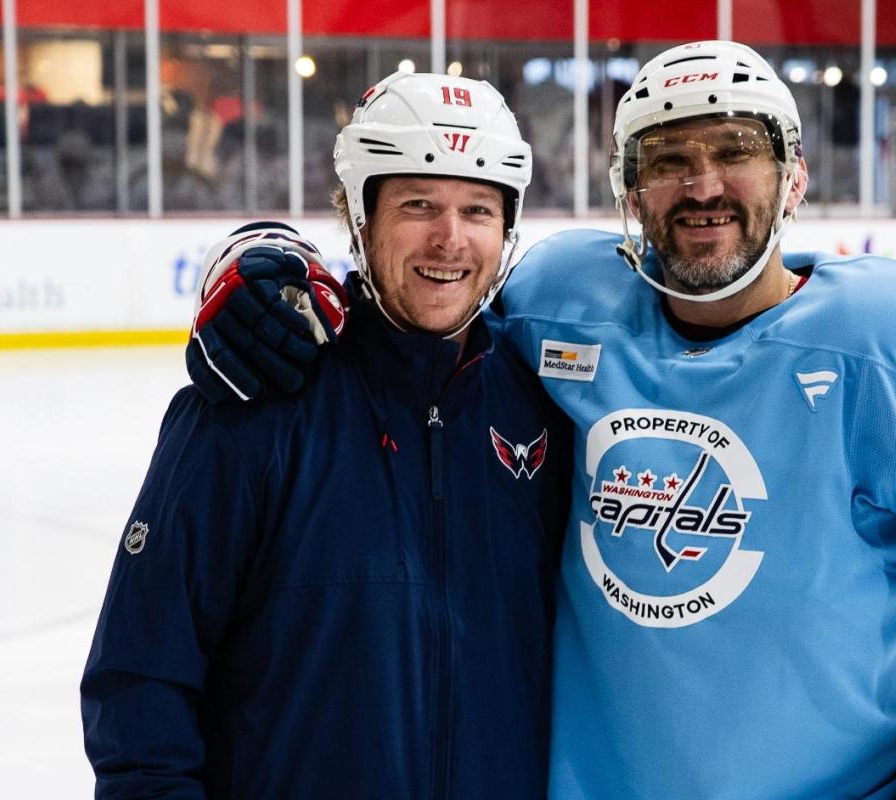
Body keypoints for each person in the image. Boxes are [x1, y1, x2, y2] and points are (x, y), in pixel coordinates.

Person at [181, 42, 896, 799]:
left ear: (792, 178)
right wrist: (263, 261)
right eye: (669, 160)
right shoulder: (556, 300)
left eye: (736, 151)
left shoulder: (892, 346)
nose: (702, 184)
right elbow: (415, 295)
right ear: (631, 193)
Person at [80, 72, 570, 799]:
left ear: (508, 228)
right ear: (359, 217)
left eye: (478, 209)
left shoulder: (546, 408)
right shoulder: (254, 400)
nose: (451, 238)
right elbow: (140, 682)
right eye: (418, 205)